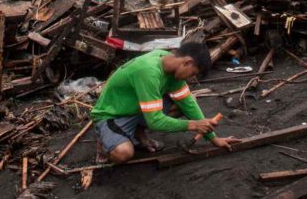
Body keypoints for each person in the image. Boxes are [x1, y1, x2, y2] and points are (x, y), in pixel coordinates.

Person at [90, 43, 239, 164]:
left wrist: (214, 139)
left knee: (188, 100)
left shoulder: (170, 63)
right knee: (124, 153)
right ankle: (104, 143)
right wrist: (193, 125)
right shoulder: (148, 71)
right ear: (187, 62)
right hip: (111, 115)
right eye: (193, 73)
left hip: (135, 109)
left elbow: (188, 104)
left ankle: (137, 132)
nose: (192, 79)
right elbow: (154, 121)